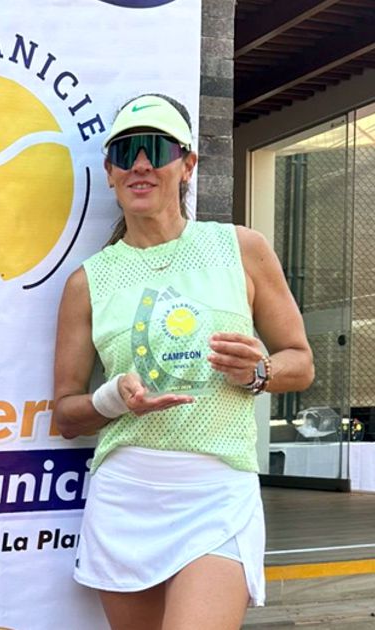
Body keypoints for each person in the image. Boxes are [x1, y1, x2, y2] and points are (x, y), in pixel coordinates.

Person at [53, 94, 314, 629]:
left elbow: (302, 362)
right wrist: (113, 399)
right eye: (125, 153)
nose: (140, 165)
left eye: (156, 149)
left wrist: (259, 372)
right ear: (110, 173)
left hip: (217, 492)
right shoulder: (87, 282)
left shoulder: (240, 248)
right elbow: (66, 414)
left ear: (188, 164)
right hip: (126, 496)